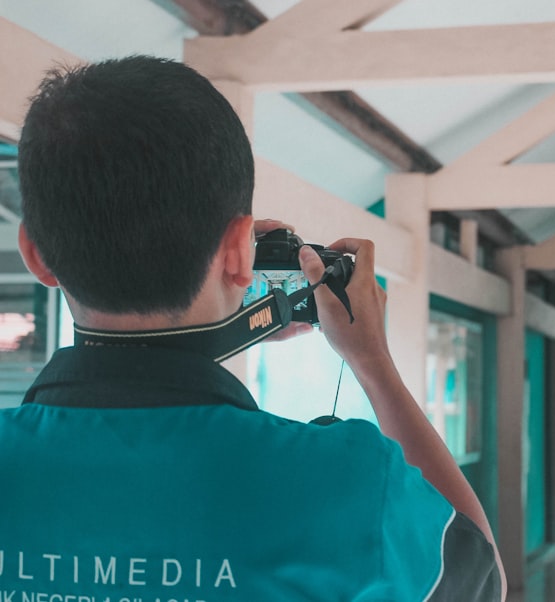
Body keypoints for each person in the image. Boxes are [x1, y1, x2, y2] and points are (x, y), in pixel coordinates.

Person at [5, 55, 504, 600]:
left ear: (36, 253)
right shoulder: (344, 483)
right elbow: (481, 577)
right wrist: (373, 364)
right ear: (240, 251)